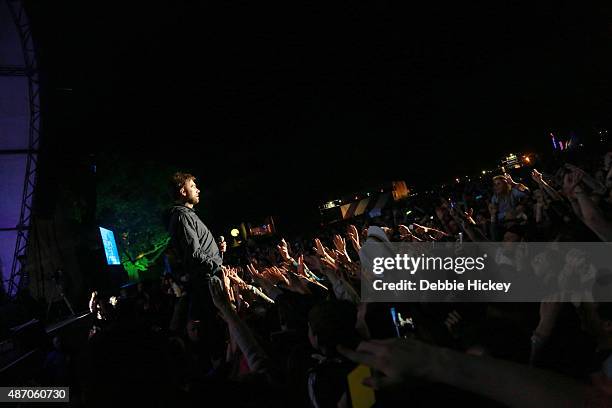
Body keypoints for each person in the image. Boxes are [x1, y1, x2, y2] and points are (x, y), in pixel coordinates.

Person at [167, 172, 224, 355]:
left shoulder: (188, 215)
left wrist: (217, 248)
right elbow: (194, 254)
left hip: (207, 277)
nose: (198, 189)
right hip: (206, 280)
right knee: (215, 328)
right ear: (183, 191)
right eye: (193, 186)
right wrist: (216, 263)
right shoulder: (183, 217)